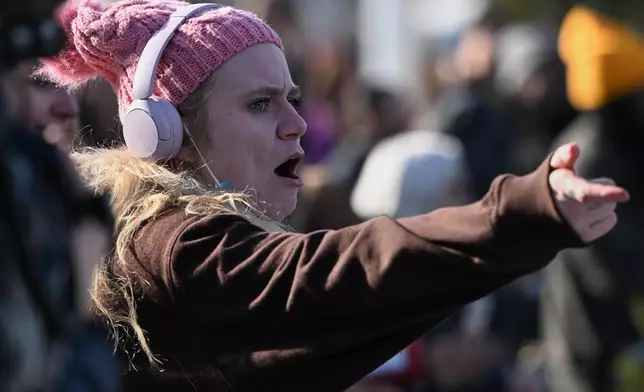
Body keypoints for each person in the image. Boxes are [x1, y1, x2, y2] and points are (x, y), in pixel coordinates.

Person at [38, 1, 628, 391]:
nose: (296, 123)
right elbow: (335, 274)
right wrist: (524, 209)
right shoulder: (171, 244)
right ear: (166, 133)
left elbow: (327, 332)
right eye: (260, 103)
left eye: (292, 97)